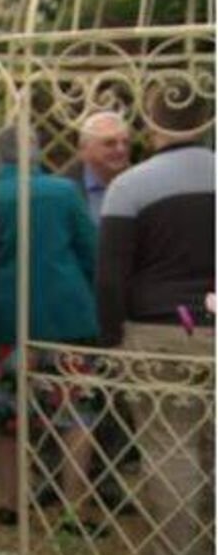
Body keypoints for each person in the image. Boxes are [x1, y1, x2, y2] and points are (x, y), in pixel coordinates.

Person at [96, 83, 214, 555]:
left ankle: (179, 548)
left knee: (169, 448)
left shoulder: (131, 186)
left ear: (151, 121)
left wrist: (111, 337)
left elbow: (110, 277)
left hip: (158, 332)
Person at [0, 125, 101, 533]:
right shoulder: (63, 192)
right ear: (36, 152)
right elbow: (91, 251)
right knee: (76, 417)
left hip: (6, 322)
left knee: (7, 417)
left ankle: (12, 505)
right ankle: (76, 509)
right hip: (67, 320)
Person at [60, 111, 132, 224]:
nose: (121, 149)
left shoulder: (139, 184)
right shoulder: (64, 190)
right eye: (109, 143)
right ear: (84, 150)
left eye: (126, 143)